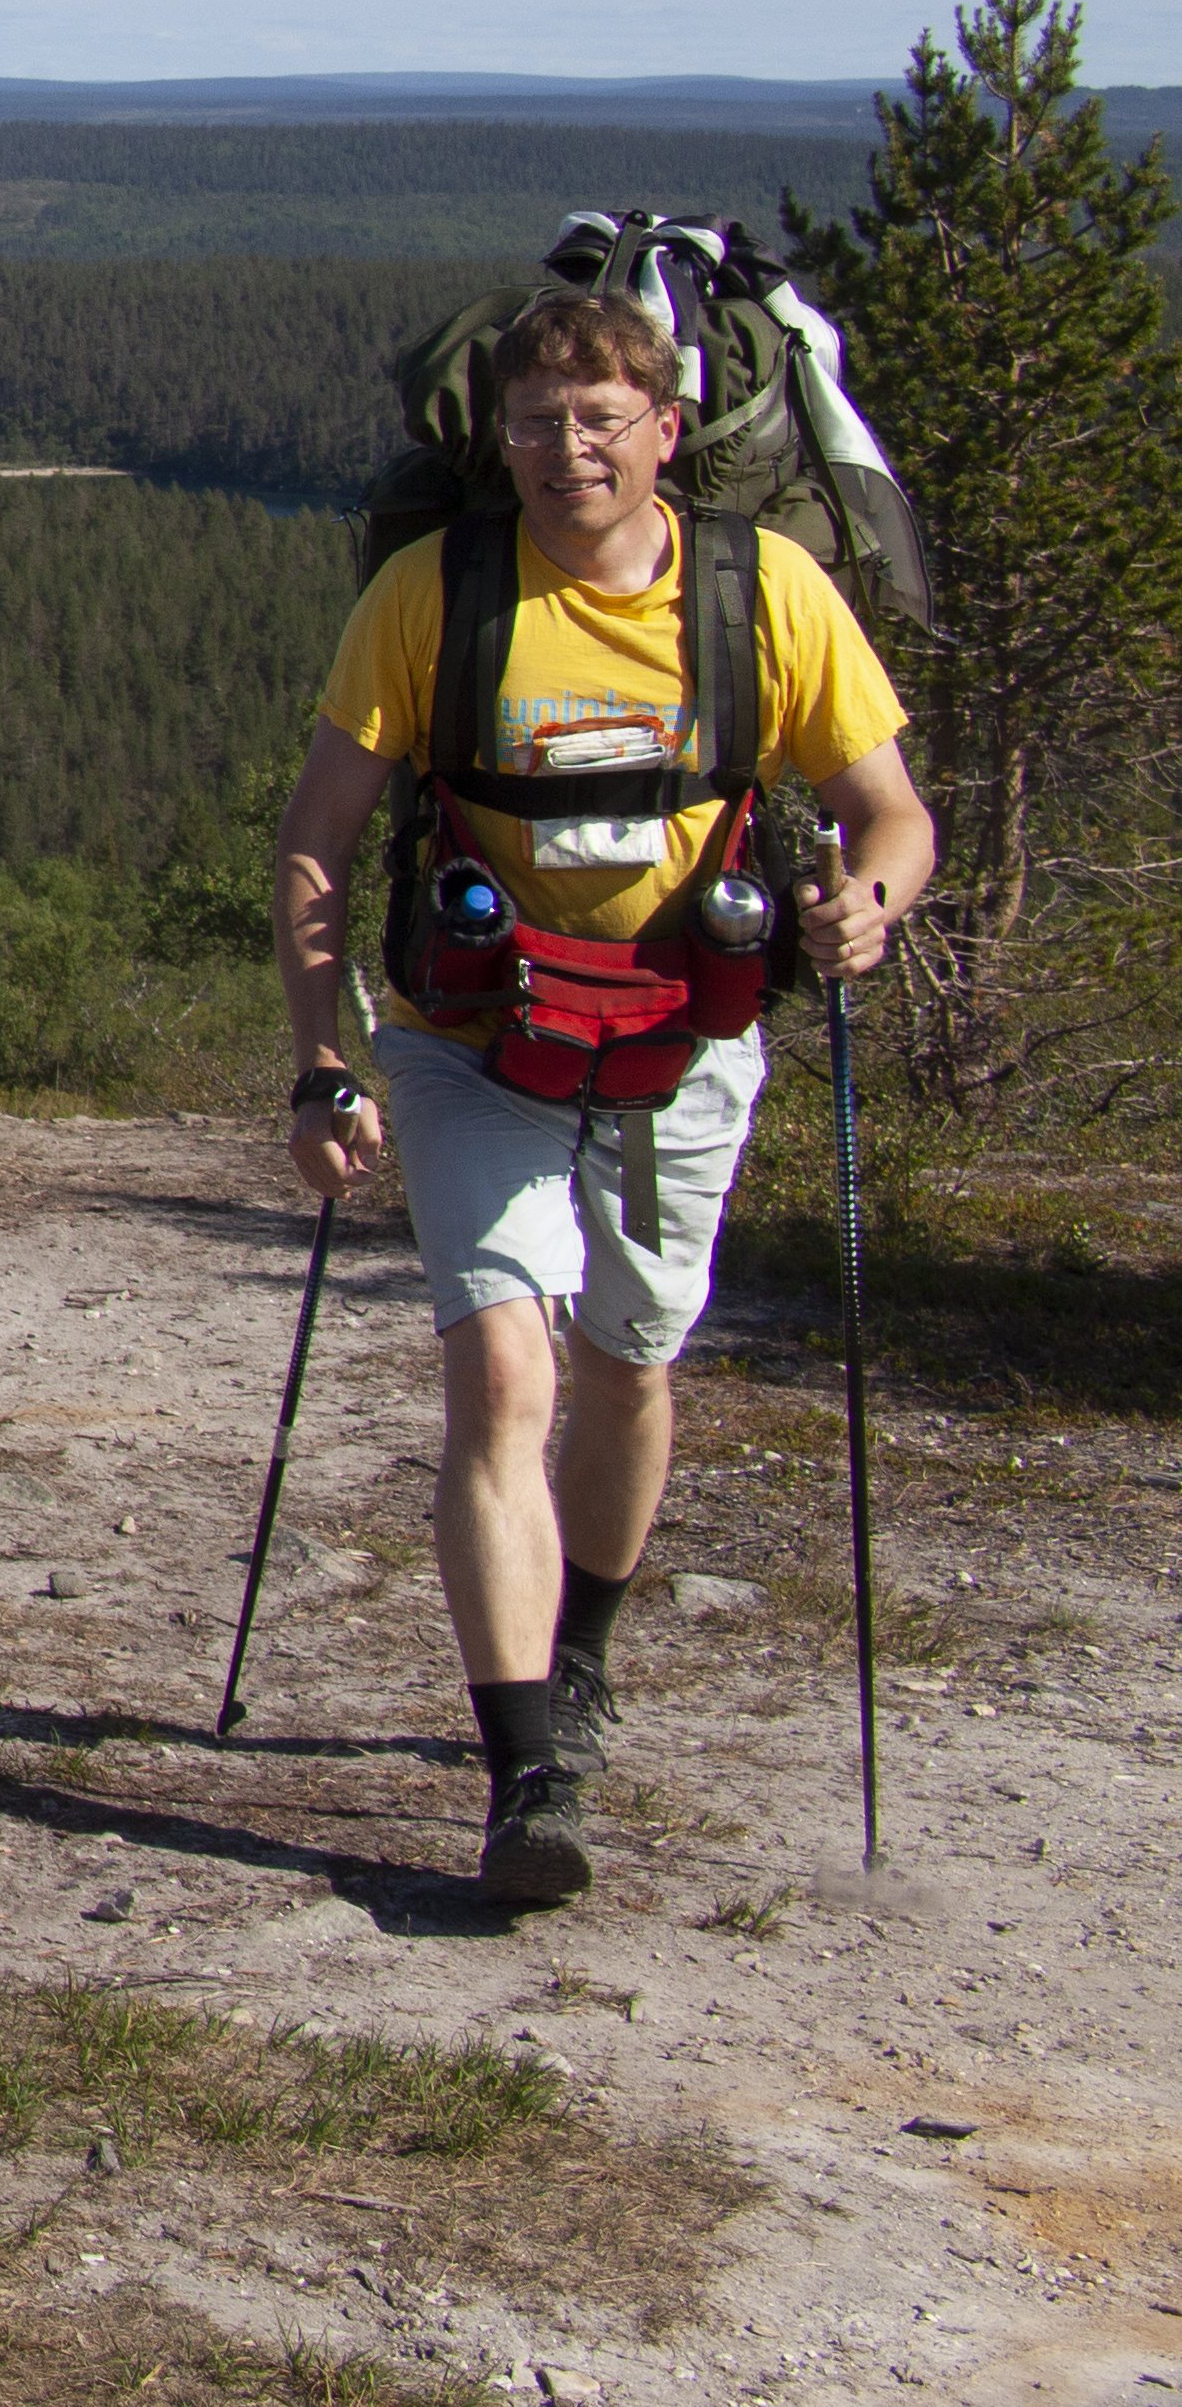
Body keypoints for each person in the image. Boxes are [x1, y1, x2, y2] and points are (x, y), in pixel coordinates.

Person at [270, 289, 934, 1907]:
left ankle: (586, 1649)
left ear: (665, 429)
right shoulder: (435, 596)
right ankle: (526, 1778)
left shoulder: (764, 592)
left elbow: (889, 813)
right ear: (494, 439)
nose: (565, 449)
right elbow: (316, 843)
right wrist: (325, 1055)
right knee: (504, 1377)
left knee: (631, 1365)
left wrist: (874, 904)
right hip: (468, 1035)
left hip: (679, 1042)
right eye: (531, 422)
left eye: (597, 418)